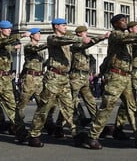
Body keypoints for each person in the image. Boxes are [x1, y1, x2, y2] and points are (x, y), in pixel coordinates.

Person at [82, 14, 137, 150]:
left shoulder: (126, 38)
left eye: (125, 21)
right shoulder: (116, 35)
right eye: (122, 21)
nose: (125, 23)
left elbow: (136, 41)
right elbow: (129, 37)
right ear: (116, 24)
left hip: (126, 77)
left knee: (132, 107)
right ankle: (92, 137)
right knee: (107, 107)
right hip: (116, 77)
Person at [26, 18, 92, 147]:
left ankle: (78, 133)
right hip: (53, 78)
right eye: (63, 25)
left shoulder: (68, 40)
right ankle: (34, 134)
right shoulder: (53, 38)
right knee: (44, 107)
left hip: (64, 78)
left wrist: (100, 38)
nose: (66, 27)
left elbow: (82, 44)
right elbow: (65, 41)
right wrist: (79, 39)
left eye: (66, 25)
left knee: (69, 107)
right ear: (56, 26)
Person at [69, 26, 108, 127]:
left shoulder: (83, 46)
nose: (86, 34)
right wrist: (102, 37)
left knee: (90, 100)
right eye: (84, 32)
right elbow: (88, 43)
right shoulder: (76, 44)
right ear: (78, 34)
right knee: (70, 101)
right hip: (76, 76)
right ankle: (60, 125)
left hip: (84, 77)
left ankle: (97, 123)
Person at [15, 27, 47, 135]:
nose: (39, 35)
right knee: (22, 103)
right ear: (32, 35)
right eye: (37, 33)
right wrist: (50, 44)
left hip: (39, 78)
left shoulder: (40, 50)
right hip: (30, 78)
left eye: (39, 33)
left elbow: (42, 63)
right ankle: (18, 125)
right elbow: (34, 50)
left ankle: (40, 125)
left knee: (43, 103)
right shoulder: (29, 46)